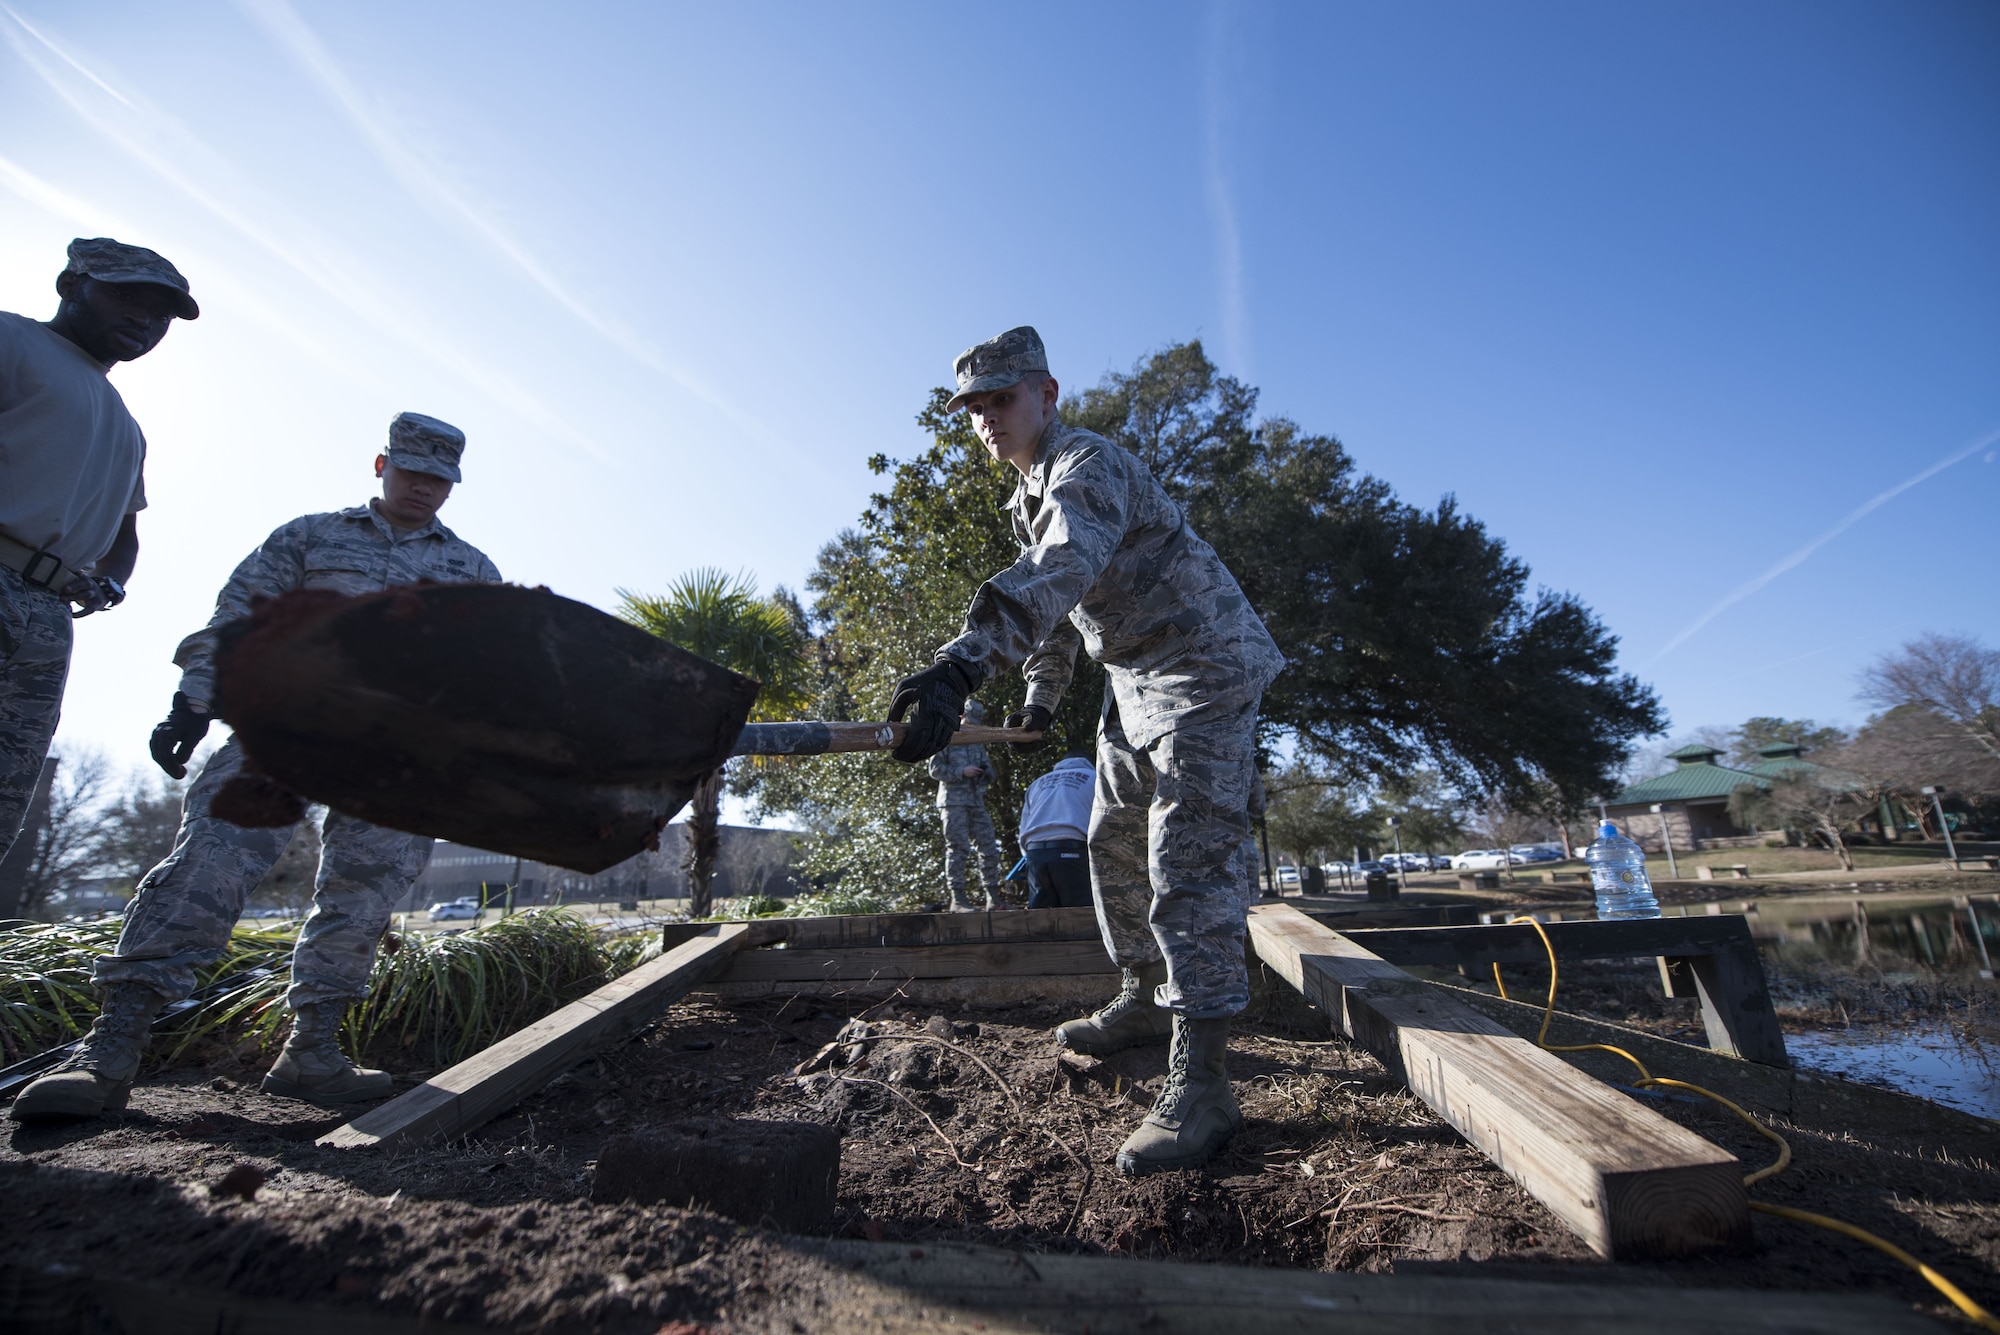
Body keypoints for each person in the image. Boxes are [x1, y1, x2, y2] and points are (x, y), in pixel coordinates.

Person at [10, 413, 502, 1123]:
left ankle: (312, 1053)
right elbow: (235, 615)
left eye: (439, 480)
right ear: (379, 465)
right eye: (412, 471)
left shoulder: (471, 571)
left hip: (394, 755)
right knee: (208, 865)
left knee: (362, 897)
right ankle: (110, 1050)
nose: (424, 488)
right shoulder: (308, 538)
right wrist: (194, 699)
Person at [886, 326, 1283, 1176]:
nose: (989, 418)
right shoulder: (1031, 490)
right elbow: (1065, 601)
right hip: (1136, 677)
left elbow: (1062, 566)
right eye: (975, 407)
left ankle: (1204, 1079)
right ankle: (1144, 996)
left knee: (1188, 860)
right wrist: (1037, 694)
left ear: (1047, 393)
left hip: (1203, 664)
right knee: (1108, 838)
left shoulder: (1085, 466)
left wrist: (963, 662)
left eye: (1003, 398)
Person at [1, 238, 198, 869]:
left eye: (160, 312)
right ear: (70, 285)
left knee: (5, 797)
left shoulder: (128, 427)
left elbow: (123, 538)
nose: (143, 317)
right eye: (126, 296)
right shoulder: (12, 342)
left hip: (46, 619)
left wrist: (109, 584)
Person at [926, 699, 1005, 911]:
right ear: (961, 717)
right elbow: (934, 769)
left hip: (976, 800)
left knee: (989, 846)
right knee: (958, 848)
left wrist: (986, 773)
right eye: (970, 721)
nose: (972, 726)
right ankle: (958, 899)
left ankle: (993, 898)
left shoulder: (977, 741)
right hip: (953, 802)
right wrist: (961, 772)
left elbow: (989, 769)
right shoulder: (945, 737)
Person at [1018, 741, 1094, 909]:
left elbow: (1024, 827)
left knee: (1040, 918)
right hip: (1072, 851)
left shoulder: (1038, 783)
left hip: (1035, 854)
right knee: (1081, 915)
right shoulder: (1094, 779)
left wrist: (1030, 858)